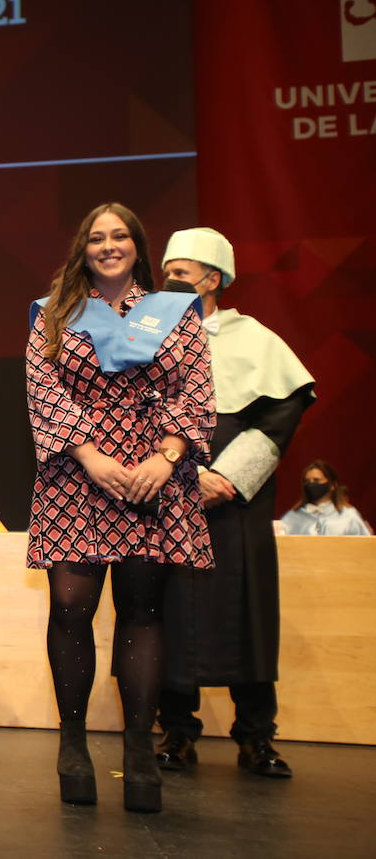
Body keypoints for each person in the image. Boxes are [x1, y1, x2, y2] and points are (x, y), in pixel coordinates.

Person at [26, 203, 215, 813]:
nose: (109, 246)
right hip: (77, 474)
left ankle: (137, 750)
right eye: (98, 238)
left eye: (121, 237)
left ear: (139, 246)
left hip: (150, 475)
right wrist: (89, 454)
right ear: (83, 248)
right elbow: (43, 387)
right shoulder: (54, 315)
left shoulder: (175, 312)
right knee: (70, 609)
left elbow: (194, 385)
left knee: (141, 611)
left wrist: (166, 456)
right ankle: (73, 745)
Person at [155, 228, 318, 779]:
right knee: (169, 617)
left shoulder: (256, 340)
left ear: (214, 279)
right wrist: (184, 475)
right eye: (168, 271)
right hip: (169, 496)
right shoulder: (147, 339)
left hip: (235, 503)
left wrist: (227, 475)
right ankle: (177, 731)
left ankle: (255, 737)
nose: (171, 281)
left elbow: (281, 413)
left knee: (246, 612)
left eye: (183, 272)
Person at [280, 461, 371, 536]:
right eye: (307, 481)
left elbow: (364, 549)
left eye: (316, 480)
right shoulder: (293, 516)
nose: (311, 485)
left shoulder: (348, 516)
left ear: (332, 485)